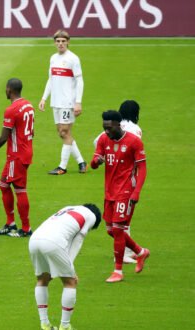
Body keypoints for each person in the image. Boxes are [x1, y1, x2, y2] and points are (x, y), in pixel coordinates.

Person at [91, 110, 150, 283]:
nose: (107, 131)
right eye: (104, 128)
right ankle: (140, 252)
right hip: (109, 191)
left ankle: (118, 271)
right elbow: (93, 164)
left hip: (125, 191)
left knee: (117, 229)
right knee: (111, 230)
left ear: (119, 124)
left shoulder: (134, 142)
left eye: (109, 128)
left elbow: (142, 169)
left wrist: (136, 191)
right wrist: (97, 161)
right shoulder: (103, 139)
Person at [29, 204, 101, 330]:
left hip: (34, 240)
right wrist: (71, 268)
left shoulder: (69, 208)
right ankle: (65, 326)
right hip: (52, 242)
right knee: (70, 281)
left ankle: (45, 324)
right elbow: (78, 240)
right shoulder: (92, 216)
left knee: (42, 279)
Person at [93, 100, 142, 264]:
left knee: (119, 223)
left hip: (120, 184)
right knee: (118, 225)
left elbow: (97, 142)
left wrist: (103, 156)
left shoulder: (107, 133)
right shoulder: (135, 130)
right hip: (124, 179)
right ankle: (129, 252)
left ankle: (124, 259)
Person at [0, 78, 34, 237]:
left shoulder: (11, 110)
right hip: (25, 150)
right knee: (3, 185)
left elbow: (4, 137)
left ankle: (26, 229)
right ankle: (10, 223)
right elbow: (31, 130)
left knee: (20, 190)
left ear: (9, 90)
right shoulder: (28, 105)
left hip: (17, 155)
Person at [38, 29, 87, 175]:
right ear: (54, 43)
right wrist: (44, 98)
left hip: (68, 102)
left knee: (64, 131)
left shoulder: (73, 59)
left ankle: (62, 167)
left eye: (63, 41)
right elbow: (50, 79)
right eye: (58, 41)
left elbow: (80, 81)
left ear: (68, 42)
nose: (60, 44)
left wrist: (78, 102)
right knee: (62, 133)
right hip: (56, 102)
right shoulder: (53, 58)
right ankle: (81, 162)